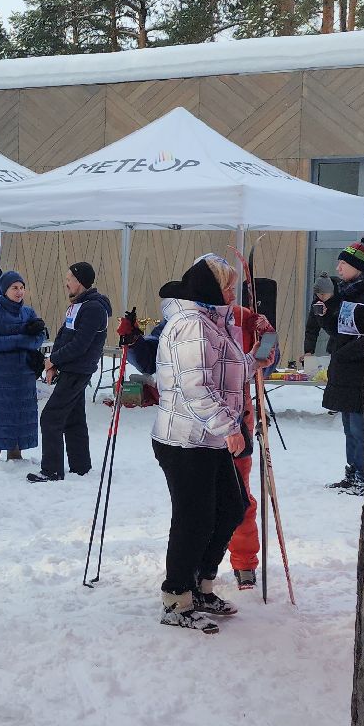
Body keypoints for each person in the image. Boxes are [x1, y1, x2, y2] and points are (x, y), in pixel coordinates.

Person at [151, 254, 251, 633]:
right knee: (194, 519)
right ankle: (176, 599)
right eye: (227, 286)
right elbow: (196, 386)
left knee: (231, 508)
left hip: (207, 437)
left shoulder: (213, 321)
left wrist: (257, 360)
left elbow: (224, 369)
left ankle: (200, 585)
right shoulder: (191, 324)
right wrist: (229, 427)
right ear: (209, 287)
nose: (233, 293)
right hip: (184, 439)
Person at [31, 262, 112, 483]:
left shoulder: (93, 308)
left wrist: (53, 360)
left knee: (50, 418)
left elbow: (80, 345)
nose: (66, 283)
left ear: (80, 281)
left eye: (69, 279)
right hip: (70, 368)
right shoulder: (78, 305)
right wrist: (53, 364)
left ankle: (52, 470)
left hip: (78, 370)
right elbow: (63, 335)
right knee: (74, 419)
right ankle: (81, 466)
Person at [227, 296, 280, 588]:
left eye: (228, 286)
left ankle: (244, 562)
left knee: (240, 496)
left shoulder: (242, 315)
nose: (228, 293)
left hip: (238, 419)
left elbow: (267, 361)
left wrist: (267, 335)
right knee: (199, 500)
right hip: (197, 425)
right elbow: (153, 358)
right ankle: (196, 562)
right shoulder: (187, 315)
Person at [321, 239, 364, 494]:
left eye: (343, 263)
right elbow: (338, 331)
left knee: (360, 430)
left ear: (358, 266)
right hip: (343, 372)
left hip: (359, 373)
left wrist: (344, 354)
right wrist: (325, 310)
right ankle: (352, 472)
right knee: (349, 429)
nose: (338, 268)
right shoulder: (344, 292)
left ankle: (363, 476)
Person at [0, 271, 45, 462]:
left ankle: (16, 455)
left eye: (22, 287)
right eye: (14, 288)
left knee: (20, 415)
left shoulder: (28, 313)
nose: (19, 292)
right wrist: (21, 340)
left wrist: (28, 338)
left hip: (24, 375)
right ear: (4, 290)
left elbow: (40, 338)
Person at [302, 274, 335, 358]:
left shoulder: (344, 293)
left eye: (323, 294)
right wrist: (308, 351)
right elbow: (312, 327)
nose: (321, 297)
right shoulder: (318, 303)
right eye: (318, 294)